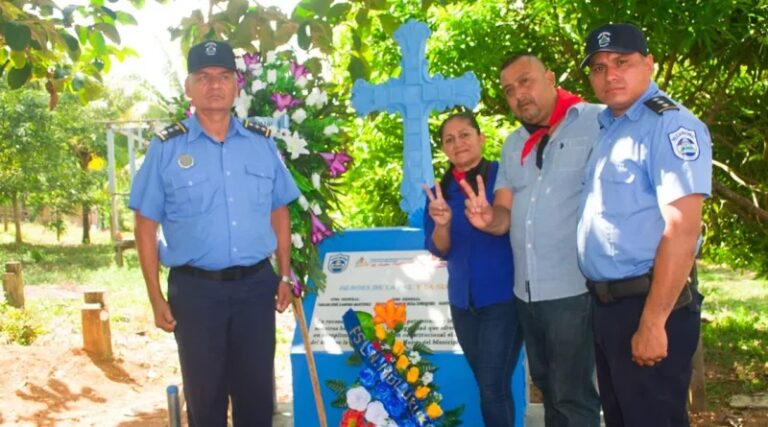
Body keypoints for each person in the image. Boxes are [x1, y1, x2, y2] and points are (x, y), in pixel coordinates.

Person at [129, 40, 300, 427]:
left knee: (257, 399)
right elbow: (145, 224)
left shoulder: (261, 145)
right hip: (196, 293)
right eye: (203, 78)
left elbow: (280, 210)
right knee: (205, 401)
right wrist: (155, 296)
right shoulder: (166, 149)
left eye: (223, 77)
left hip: (256, 288)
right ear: (189, 87)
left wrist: (284, 274)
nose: (215, 85)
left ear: (236, 85)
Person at [577, 23, 712, 426]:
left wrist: (652, 322)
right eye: (599, 67)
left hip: (649, 305)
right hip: (610, 309)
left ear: (648, 64)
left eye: (622, 62)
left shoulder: (670, 126)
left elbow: (682, 230)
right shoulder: (610, 127)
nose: (610, 74)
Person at [460, 54, 602, 426]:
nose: (519, 95)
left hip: (573, 289)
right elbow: (503, 214)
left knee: (574, 396)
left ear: (550, 77)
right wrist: (488, 218)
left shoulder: (596, 121)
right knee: (548, 388)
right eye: (509, 90)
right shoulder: (513, 145)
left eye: (526, 82)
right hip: (526, 294)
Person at [423, 111, 523, 427]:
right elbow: (440, 248)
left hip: (503, 300)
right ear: (443, 149)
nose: (458, 143)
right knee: (489, 385)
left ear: (481, 138)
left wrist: (490, 214)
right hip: (462, 305)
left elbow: (510, 224)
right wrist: (443, 223)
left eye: (465, 134)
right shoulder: (440, 192)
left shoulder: (503, 179)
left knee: (492, 387)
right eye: (449, 139)